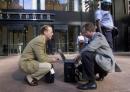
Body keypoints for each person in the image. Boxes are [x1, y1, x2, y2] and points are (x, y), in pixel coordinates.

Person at [74, 22, 116, 90]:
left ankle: (92, 83)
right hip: (103, 62)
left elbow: (90, 48)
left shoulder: (99, 37)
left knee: (85, 55)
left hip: (107, 63)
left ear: (89, 31)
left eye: (85, 32)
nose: (84, 35)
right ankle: (101, 73)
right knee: (80, 67)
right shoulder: (93, 38)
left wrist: (79, 55)